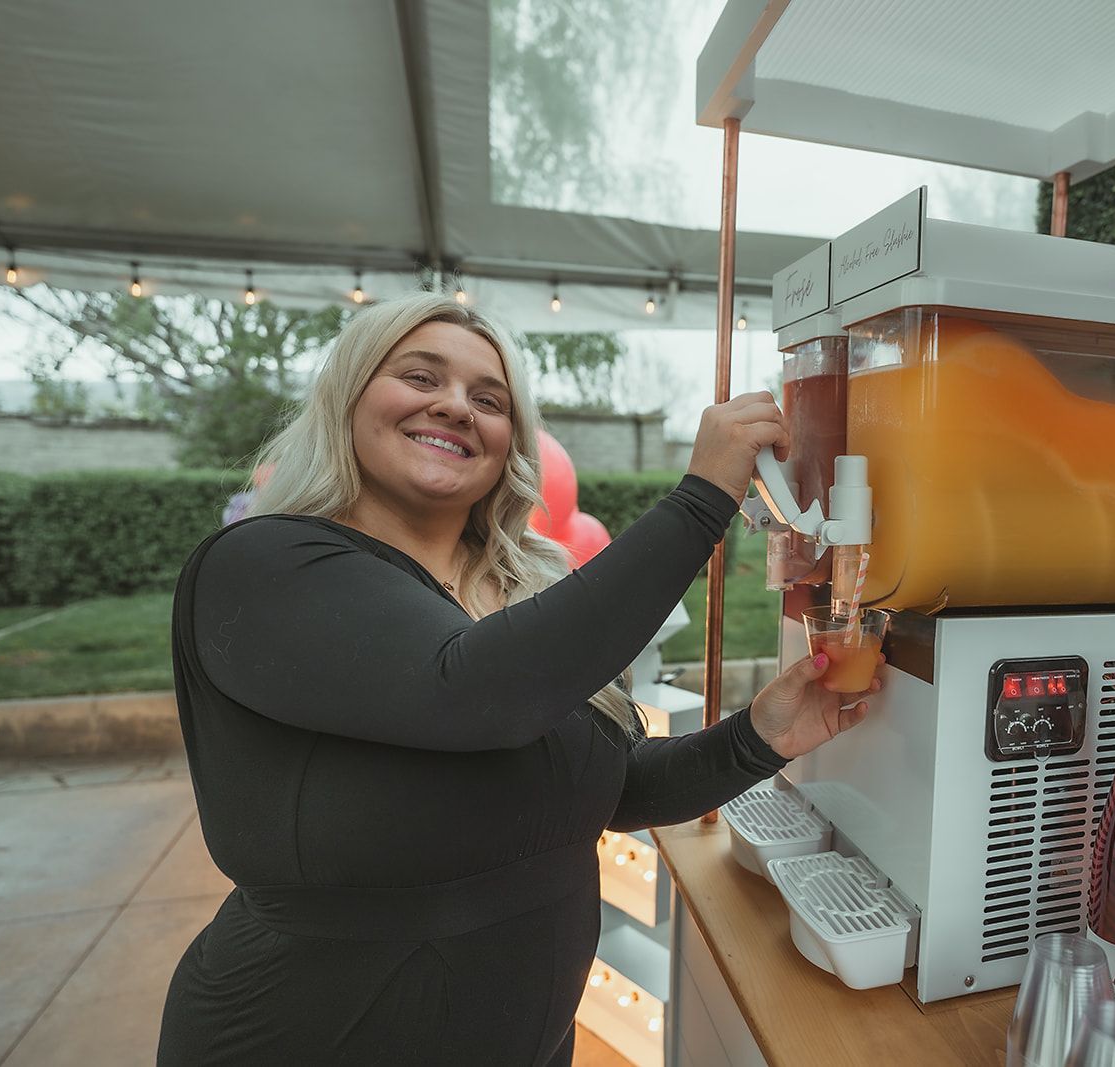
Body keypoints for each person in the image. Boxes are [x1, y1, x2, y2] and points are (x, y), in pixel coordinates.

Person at [157, 293, 878, 1065]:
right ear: (348, 396)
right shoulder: (264, 567)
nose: (456, 406)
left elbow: (612, 790)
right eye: (420, 376)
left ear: (512, 440)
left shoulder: (525, 594)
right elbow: (472, 694)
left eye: (489, 398)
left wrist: (760, 735)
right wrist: (701, 502)